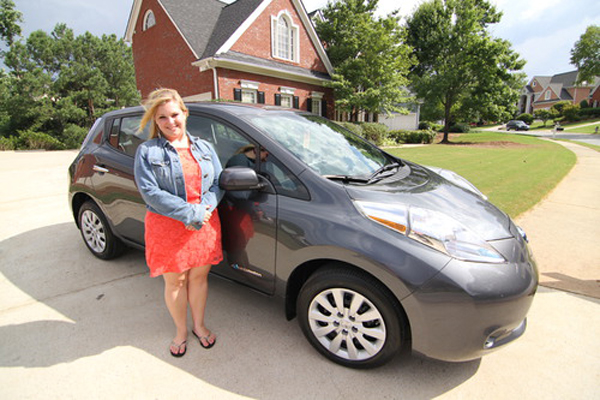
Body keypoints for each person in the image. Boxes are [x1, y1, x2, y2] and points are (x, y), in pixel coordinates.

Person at [134, 88, 223, 357]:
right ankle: (180, 331)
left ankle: (199, 326)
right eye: (162, 118)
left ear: (185, 113)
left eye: (175, 114)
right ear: (155, 122)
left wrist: (202, 210)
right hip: (168, 224)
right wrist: (189, 213)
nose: (171, 122)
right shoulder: (147, 151)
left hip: (204, 222)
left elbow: (219, 182)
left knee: (199, 278)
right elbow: (150, 192)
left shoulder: (205, 147)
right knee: (175, 282)